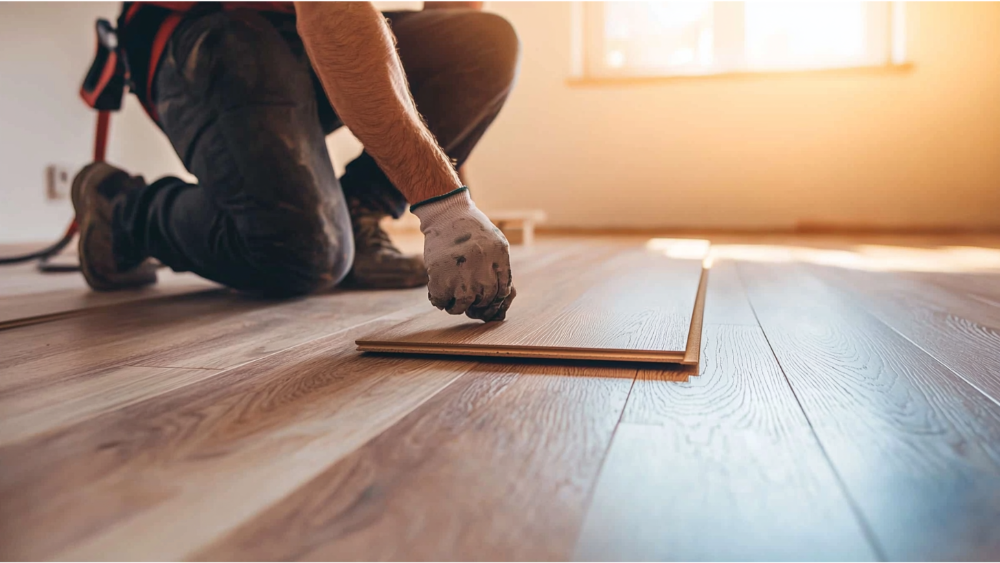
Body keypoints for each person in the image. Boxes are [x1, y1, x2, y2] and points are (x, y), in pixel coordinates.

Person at [72, 0, 518, 321]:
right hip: (207, 28)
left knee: (487, 44)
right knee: (303, 253)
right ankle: (124, 213)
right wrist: (444, 208)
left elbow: (448, 10)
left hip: (296, 28)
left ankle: (361, 214)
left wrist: (459, 209)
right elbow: (331, 14)